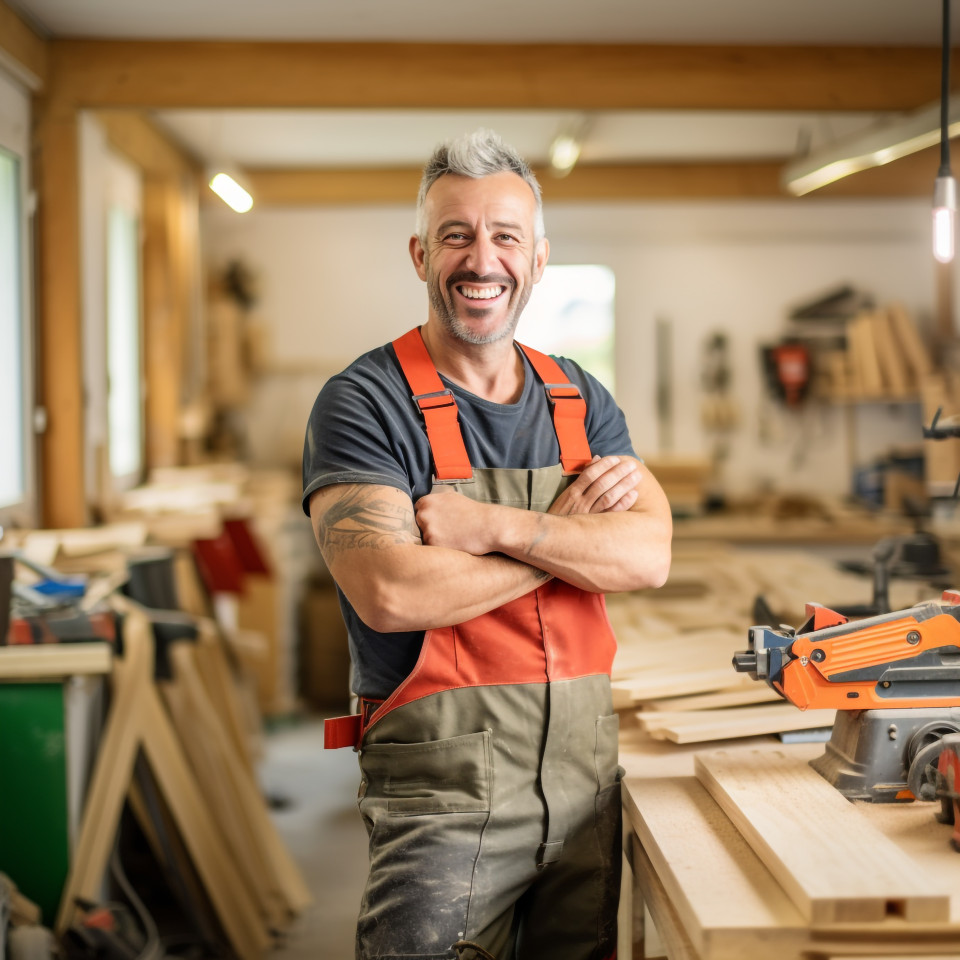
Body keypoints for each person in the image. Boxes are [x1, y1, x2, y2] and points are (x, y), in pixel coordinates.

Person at [302, 128, 672, 960]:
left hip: (587, 793)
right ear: (420, 254)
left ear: (537, 259)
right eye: (456, 235)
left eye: (505, 236)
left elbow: (647, 556)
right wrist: (571, 537)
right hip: (442, 802)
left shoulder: (580, 397)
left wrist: (493, 529)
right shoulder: (364, 404)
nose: (482, 259)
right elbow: (393, 591)